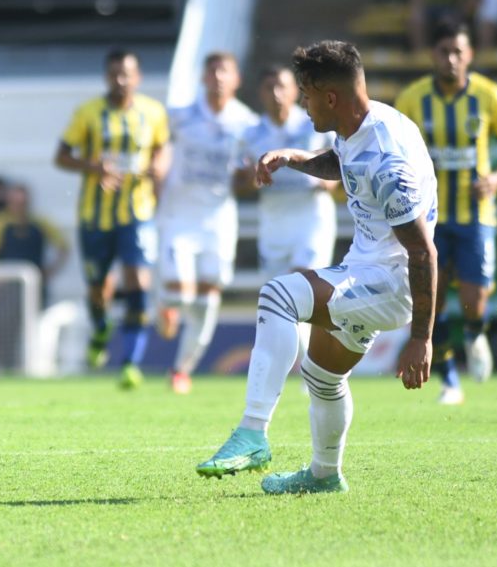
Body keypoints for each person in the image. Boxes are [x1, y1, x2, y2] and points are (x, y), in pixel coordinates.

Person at [197, 40, 438, 495]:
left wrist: (421, 339)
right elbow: (343, 164)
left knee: (278, 295)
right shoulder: (362, 125)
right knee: (323, 376)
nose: (303, 106)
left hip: (389, 282)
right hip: (368, 270)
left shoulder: (386, 160)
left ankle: (252, 433)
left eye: (306, 96)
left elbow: (423, 253)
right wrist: (293, 157)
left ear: (330, 97)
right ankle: (325, 476)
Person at [395, 19, 497, 405]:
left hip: (476, 215)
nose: (450, 58)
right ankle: (449, 381)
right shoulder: (413, 99)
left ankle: (475, 332)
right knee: (432, 302)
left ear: (470, 55)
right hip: (429, 218)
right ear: (433, 54)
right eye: (444, 51)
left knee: (474, 299)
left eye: (457, 52)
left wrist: (496, 178)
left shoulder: (491, 96)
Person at [54, 49, 169, 389]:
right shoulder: (88, 113)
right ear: (106, 77)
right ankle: (101, 327)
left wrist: (159, 167)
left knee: (137, 281)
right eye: (114, 74)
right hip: (95, 216)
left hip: (138, 212)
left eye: (126, 74)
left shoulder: (153, 112)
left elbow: (162, 147)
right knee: (98, 289)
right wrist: (93, 167)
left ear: (138, 77)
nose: (120, 80)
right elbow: (61, 156)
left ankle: (131, 363)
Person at [155, 52, 258, 394]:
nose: (218, 77)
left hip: (218, 220)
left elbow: (247, 178)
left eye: (224, 71)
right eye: (212, 71)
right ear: (202, 78)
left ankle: (180, 370)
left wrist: (250, 177)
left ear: (237, 79)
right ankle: (167, 306)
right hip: (179, 216)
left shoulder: (247, 123)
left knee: (207, 301)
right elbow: (158, 150)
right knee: (180, 293)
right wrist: (155, 176)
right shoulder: (180, 116)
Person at [238, 65, 339, 375]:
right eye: (269, 87)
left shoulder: (314, 126)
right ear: (260, 93)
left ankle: (313, 371)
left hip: (311, 219)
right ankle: (305, 367)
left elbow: (338, 172)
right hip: (274, 223)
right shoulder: (251, 133)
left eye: (282, 86)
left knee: (302, 290)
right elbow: (239, 184)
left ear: (296, 92)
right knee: (280, 301)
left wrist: (324, 180)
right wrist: (252, 177)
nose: (276, 94)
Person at [0, 182, 70, 307]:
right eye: (15, 203)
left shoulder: (40, 222)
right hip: (7, 287)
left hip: (36, 286)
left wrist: (51, 271)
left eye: (22, 203)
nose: (19, 207)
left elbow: (64, 247)